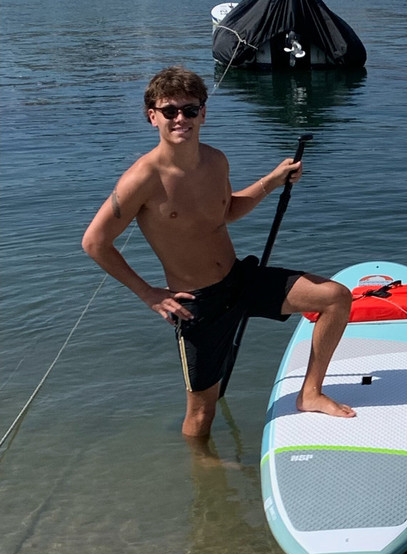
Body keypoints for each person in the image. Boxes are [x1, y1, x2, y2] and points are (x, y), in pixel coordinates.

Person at [82, 66, 354, 439]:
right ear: (152, 117)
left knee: (336, 298)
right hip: (199, 305)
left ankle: (310, 393)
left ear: (203, 114)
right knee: (201, 414)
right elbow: (95, 242)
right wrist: (148, 293)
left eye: (190, 110)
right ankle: (204, 475)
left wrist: (271, 182)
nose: (181, 119)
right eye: (170, 111)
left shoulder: (215, 160)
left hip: (239, 279)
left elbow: (227, 211)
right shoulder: (142, 179)